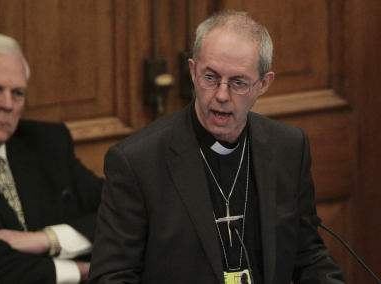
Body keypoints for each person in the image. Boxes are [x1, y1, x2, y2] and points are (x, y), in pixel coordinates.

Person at [87, 10, 346, 284]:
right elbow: (111, 277)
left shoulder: (288, 147)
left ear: (263, 84)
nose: (221, 95)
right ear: (192, 70)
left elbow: (308, 255)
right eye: (210, 77)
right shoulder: (137, 162)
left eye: (238, 83)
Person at [0, 33, 104, 284]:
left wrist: (48, 240)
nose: (7, 104)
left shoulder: (47, 143)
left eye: (17, 93)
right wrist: (78, 271)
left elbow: (125, 208)